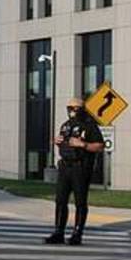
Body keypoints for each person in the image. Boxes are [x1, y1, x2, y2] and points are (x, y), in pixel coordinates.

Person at [46, 97, 104, 246]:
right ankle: (59, 232)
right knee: (60, 200)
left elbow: (99, 146)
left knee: (80, 201)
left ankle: (77, 234)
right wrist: (57, 141)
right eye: (69, 108)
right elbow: (63, 143)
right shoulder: (66, 126)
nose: (71, 111)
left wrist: (82, 144)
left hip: (81, 167)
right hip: (65, 166)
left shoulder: (90, 126)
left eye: (75, 108)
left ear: (81, 109)